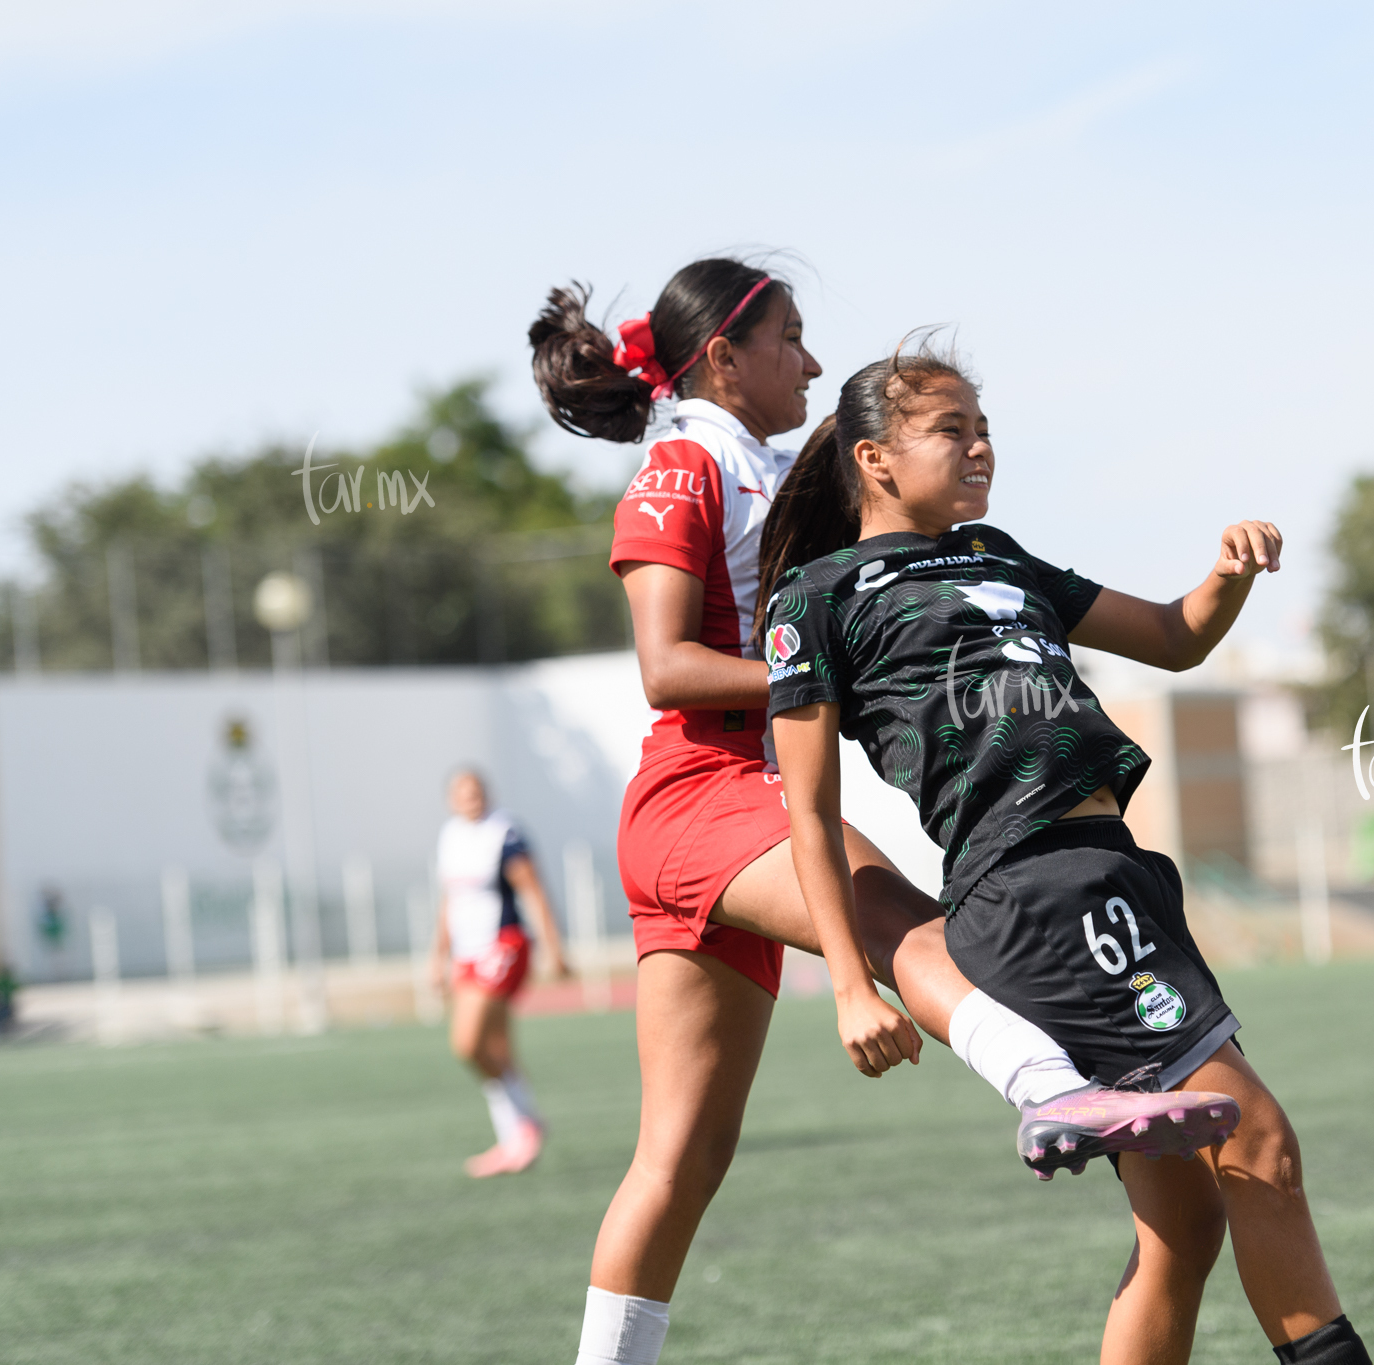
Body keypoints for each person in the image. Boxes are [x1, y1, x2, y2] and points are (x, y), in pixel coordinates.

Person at [527, 261, 1235, 1365]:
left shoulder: (760, 463)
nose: (809, 360)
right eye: (790, 339)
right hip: (701, 794)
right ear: (722, 355)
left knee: (679, 1161)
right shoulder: (681, 463)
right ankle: (1049, 1090)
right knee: (902, 925)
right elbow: (666, 668)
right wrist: (848, 671)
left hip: (708, 819)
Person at [761, 343, 1374, 1365]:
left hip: (1113, 871)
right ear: (872, 458)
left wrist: (1223, 577)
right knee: (1258, 1146)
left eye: (983, 425)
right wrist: (847, 989)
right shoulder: (819, 600)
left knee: (1183, 1226)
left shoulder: (999, 554)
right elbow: (808, 812)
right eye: (950, 428)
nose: (979, 446)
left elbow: (1175, 640)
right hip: (1038, 891)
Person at [429, 768, 572, 1176]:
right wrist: (436, 957)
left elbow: (533, 889)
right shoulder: (451, 837)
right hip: (467, 951)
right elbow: (449, 902)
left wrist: (554, 948)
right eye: (462, 792)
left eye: (477, 791)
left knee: (468, 1044)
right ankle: (517, 1134)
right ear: (450, 799)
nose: (471, 798)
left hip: (503, 945)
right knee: (496, 1048)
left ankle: (524, 1125)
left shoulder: (504, 833)